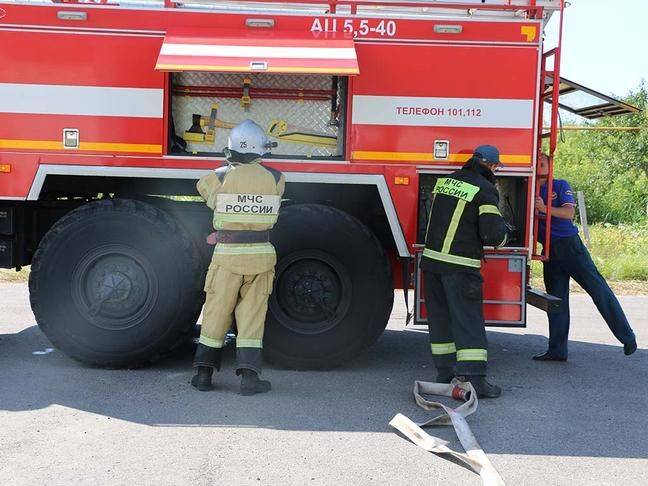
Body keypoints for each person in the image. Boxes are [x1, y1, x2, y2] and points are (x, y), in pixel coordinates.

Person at [191, 120, 285, 394]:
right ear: (261, 149)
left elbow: (204, 190)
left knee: (216, 315)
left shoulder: (218, 177)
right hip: (261, 257)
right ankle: (249, 379)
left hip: (227, 257)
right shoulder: (277, 178)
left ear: (231, 148)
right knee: (252, 317)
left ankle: (204, 375)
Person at [421, 145, 510, 398]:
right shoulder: (486, 190)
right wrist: (506, 234)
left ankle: (445, 374)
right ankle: (475, 381)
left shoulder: (447, 182)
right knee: (468, 322)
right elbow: (492, 234)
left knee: (440, 321)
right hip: (460, 266)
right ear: (492, 166)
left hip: (431, 264)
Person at [533, 154, 637, 361]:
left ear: (550, 165)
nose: (539, 164)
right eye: (537, 161)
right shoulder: (529, 189)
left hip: (571, 247)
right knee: (556, 301)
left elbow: (568, 213)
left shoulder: (560, 185)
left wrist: (544, 208)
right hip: (550, 251)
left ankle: (627, 337)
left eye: (543, 162)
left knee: (598, 290)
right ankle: (557, 350)